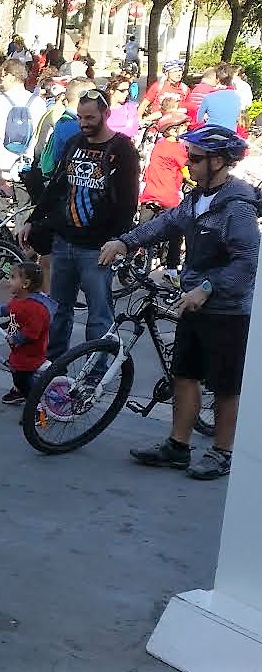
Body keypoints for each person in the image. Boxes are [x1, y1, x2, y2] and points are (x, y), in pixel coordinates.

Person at [104, 125, 258, 480]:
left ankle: (222, 452)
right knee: (185, 375)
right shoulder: (196, 198)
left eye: (196, 158)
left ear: (218, 162)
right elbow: (164, 225)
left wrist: (208, 288)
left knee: (225, 386)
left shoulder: (237, 207)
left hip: (228, 311)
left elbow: (247, 262)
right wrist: (124, 242)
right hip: (194, 304)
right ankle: (178, 446)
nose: (188, 163)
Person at [22, 89, 140, 362]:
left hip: (97, 248)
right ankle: (53, 368)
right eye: (80, 117)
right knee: (59, 310)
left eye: (90, 118)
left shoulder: (122, 149)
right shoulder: (74, 143)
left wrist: (119, 241)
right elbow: (56, 187)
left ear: (105, 114)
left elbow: (128, 201)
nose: (83, 123)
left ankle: (94, 373)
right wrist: (33, 219)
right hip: (64, 242)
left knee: (99, 314)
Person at [0, 262, 54, 404]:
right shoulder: (18, 299)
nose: (8, 281)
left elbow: (32, 332)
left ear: (25, 283)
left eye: (13, 277)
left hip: (31, 353)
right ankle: (20, 391)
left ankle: (35, 405)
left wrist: (17, 338)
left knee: (21, 377)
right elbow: (9, 309)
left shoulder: (36, 308)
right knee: (15, 369)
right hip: (20, 350)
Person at [0, 60, 45, 179]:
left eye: (3, 76)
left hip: (0, 167)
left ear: (11, 77)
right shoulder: (39, 102)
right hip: (28, 167)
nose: (0, 81)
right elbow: (41, 137)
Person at [139, 113, 192, 215]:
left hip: (149, 195)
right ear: (172, 131)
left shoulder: (159, 143)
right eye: (184, 129)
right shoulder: (177, 148)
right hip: (168, 196)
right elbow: (188, 170)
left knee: (143, 224)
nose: (186, 132)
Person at [198, 63, 245, 132]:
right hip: (230, 133)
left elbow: (199, 119)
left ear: (217, 79)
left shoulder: (209, 97)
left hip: (211, 133)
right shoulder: (237, 97)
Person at [105, 73, 140, 138]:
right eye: (122, 91)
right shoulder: (101, 108)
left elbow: (132, 131)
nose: (127, 93)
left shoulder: (130, 108)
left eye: (128, 90)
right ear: (111, 90)